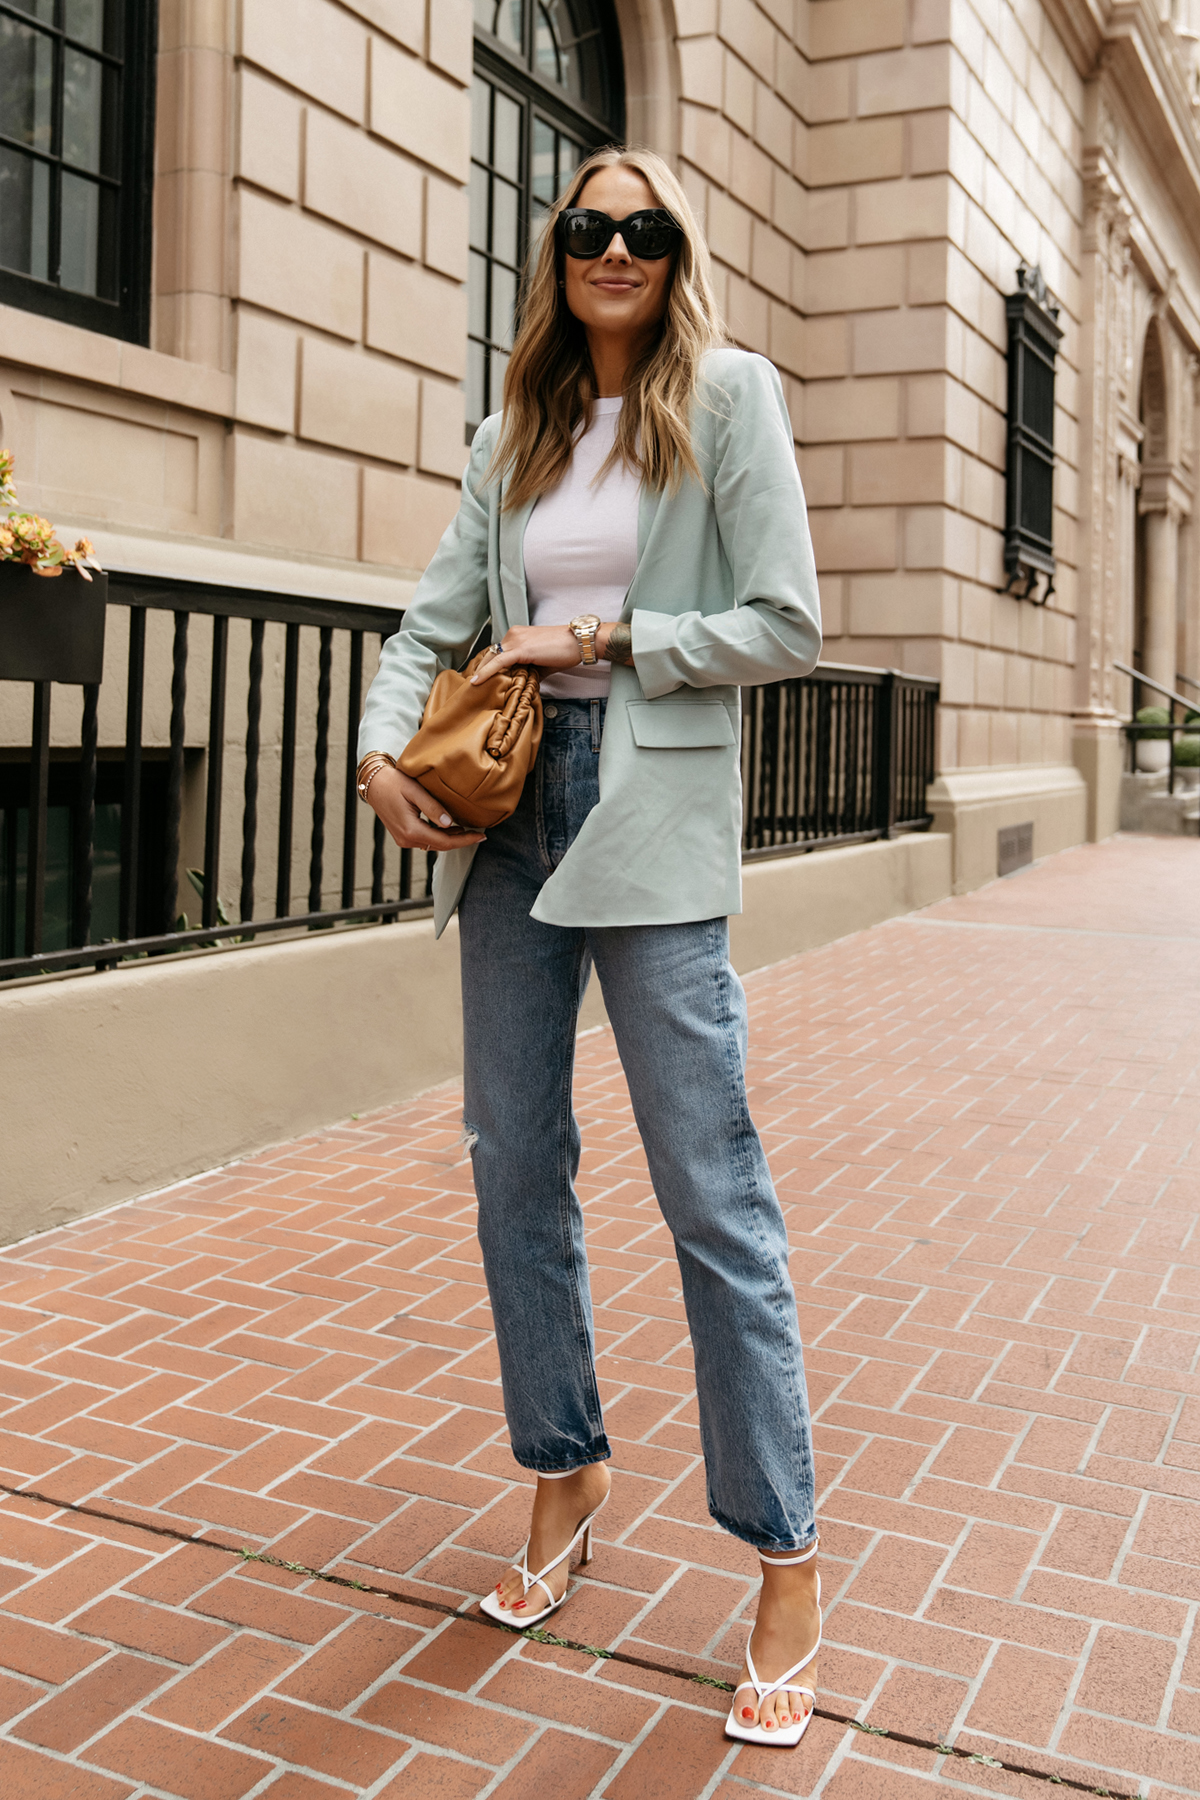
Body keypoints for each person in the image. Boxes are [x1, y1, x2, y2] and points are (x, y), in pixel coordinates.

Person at [357, 146, 823, 1747]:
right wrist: (376, 751)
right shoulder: (515, 434)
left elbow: (785, 621)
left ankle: (782, 1556)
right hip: (507, 818)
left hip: (650, 818)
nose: (614, 248)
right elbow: (429, 625)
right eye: (586, 228)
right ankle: (562, 1471)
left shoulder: (733, 399)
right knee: (511, 1161)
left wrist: (613, 636)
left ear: (678, 254)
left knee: (711, 1183)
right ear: (556, 256)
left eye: (645, 229)